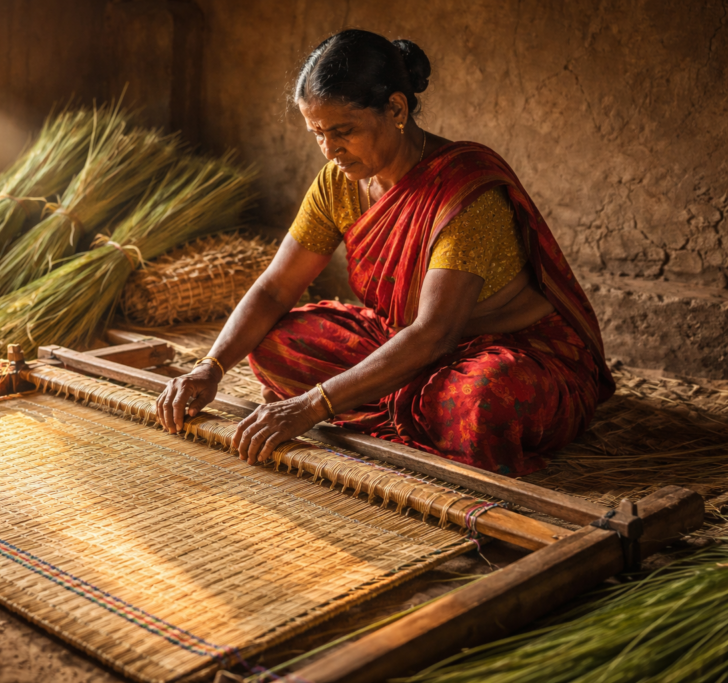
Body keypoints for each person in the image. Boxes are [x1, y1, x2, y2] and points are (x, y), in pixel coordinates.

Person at [156, 29, 614, 476]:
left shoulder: (462, 191)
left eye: (343, 131)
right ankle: (400, 403)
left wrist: (313, 404)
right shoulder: (339, 183)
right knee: (276, 343)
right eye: (317, 133)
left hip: (504, 352)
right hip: (401, 339)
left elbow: (435, 333)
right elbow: (277, 289)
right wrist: (210, 368)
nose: (329, 149)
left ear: (395, 108)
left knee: (481, 403)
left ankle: (382, 402)